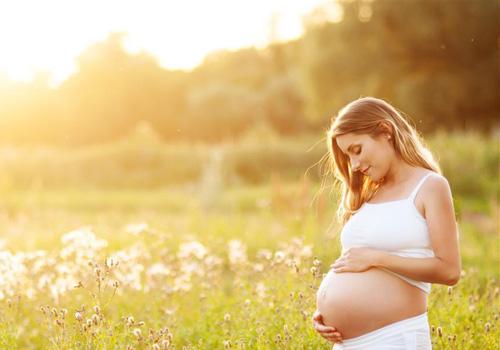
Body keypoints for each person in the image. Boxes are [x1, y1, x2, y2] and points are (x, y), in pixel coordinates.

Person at [312, 97, 461, 349]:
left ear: (385, 131)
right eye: (348, 156)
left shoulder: (430, 186)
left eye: (356, 150)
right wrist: (324, 314)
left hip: (394, 339)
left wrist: (376, 258)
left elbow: (449, 271)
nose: (355, 165)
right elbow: (353, 262)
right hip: (346, 345)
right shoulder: (369, 194)